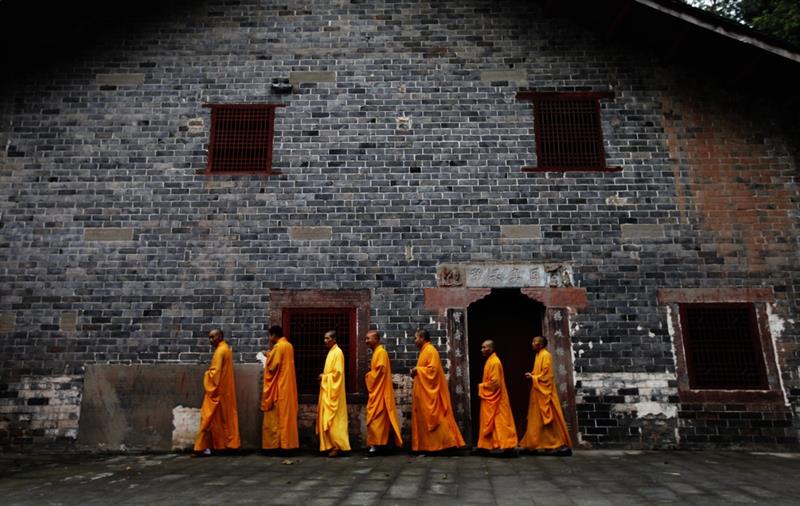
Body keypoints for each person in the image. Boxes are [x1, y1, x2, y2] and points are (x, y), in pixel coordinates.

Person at [410, 328, 465, 453]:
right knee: (427, 420)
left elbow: (432, 371)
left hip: (432, 394)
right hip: (424, 394)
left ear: (422, 338)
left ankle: (448, 444)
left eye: (416, 338)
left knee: (438, 418)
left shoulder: (430, 351)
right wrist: (416, 370)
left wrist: (418, 370)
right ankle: (431, 446)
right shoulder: (424, 351)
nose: (414, 340)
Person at [519, 335, 572, 456]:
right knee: (535, 421)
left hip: (545, 394)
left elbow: (547, 377)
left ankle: (558, 444)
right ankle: (534, 444)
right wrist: (532, 374)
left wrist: (533, 377)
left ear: (541, 344)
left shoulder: (546, 355)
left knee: (547, 420)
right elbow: (539, 373)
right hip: (538, 394)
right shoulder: (538, 355)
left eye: (534, 342)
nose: (532, 343)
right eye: (532, 341)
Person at [194, 328, 241, 455]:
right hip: (224, 391)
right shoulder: (226, 349)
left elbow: (216, 373)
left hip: (217, 392)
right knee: (222, 420)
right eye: (209, 337)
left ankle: (203, 447)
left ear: (220, 337)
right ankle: (225, 445)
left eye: (213, 337)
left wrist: (207, 374)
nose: (210, 340)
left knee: (207, 418)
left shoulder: (220, 351)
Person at [260, 325, 299, 453]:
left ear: (274, 335)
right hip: (289, 386)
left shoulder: (278, 346)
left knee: (276, 417)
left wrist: (266, 356)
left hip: (280, 386)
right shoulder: (288, 345)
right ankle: (289, 444)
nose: (269, 338)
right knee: (287, 416)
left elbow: (272, 367)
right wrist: (271, 354)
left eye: (270, 335)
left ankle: (276, 446)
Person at [364, 330, 403, 455]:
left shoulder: (381, 352)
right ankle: (377, 444)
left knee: (377, 419)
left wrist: (368, 376)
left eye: (368, 338)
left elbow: (379, 372)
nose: (366, 341)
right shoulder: (377, 352)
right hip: (377, 391)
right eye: (365, 338)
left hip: (379, 392)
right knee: (376, 419)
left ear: (376, 339)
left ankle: (378, 445)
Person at [476, 340, 517, 454]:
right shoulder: (490, 360)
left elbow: (495, 383)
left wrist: (481, 386)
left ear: (491, 348)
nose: (482, 350)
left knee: (501, 422)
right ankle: (486, 446)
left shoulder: (494, 362)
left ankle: (507, 446)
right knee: (491, 422)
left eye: (485, 347)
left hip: (497, 399)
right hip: (491, 398)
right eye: (482, 347)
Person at [316, 330, 350, 457]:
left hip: (334, 393)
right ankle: (329, 445)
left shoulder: (338, 352)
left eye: (327, 338)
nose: (325, 341)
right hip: (328, 391)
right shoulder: (331, 352)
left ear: (334, 339)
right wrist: (324, 377)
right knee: (327, 418)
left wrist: (324, 378)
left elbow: (338, 375)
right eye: (324, 338)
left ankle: (338, 446)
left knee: (335, 420)